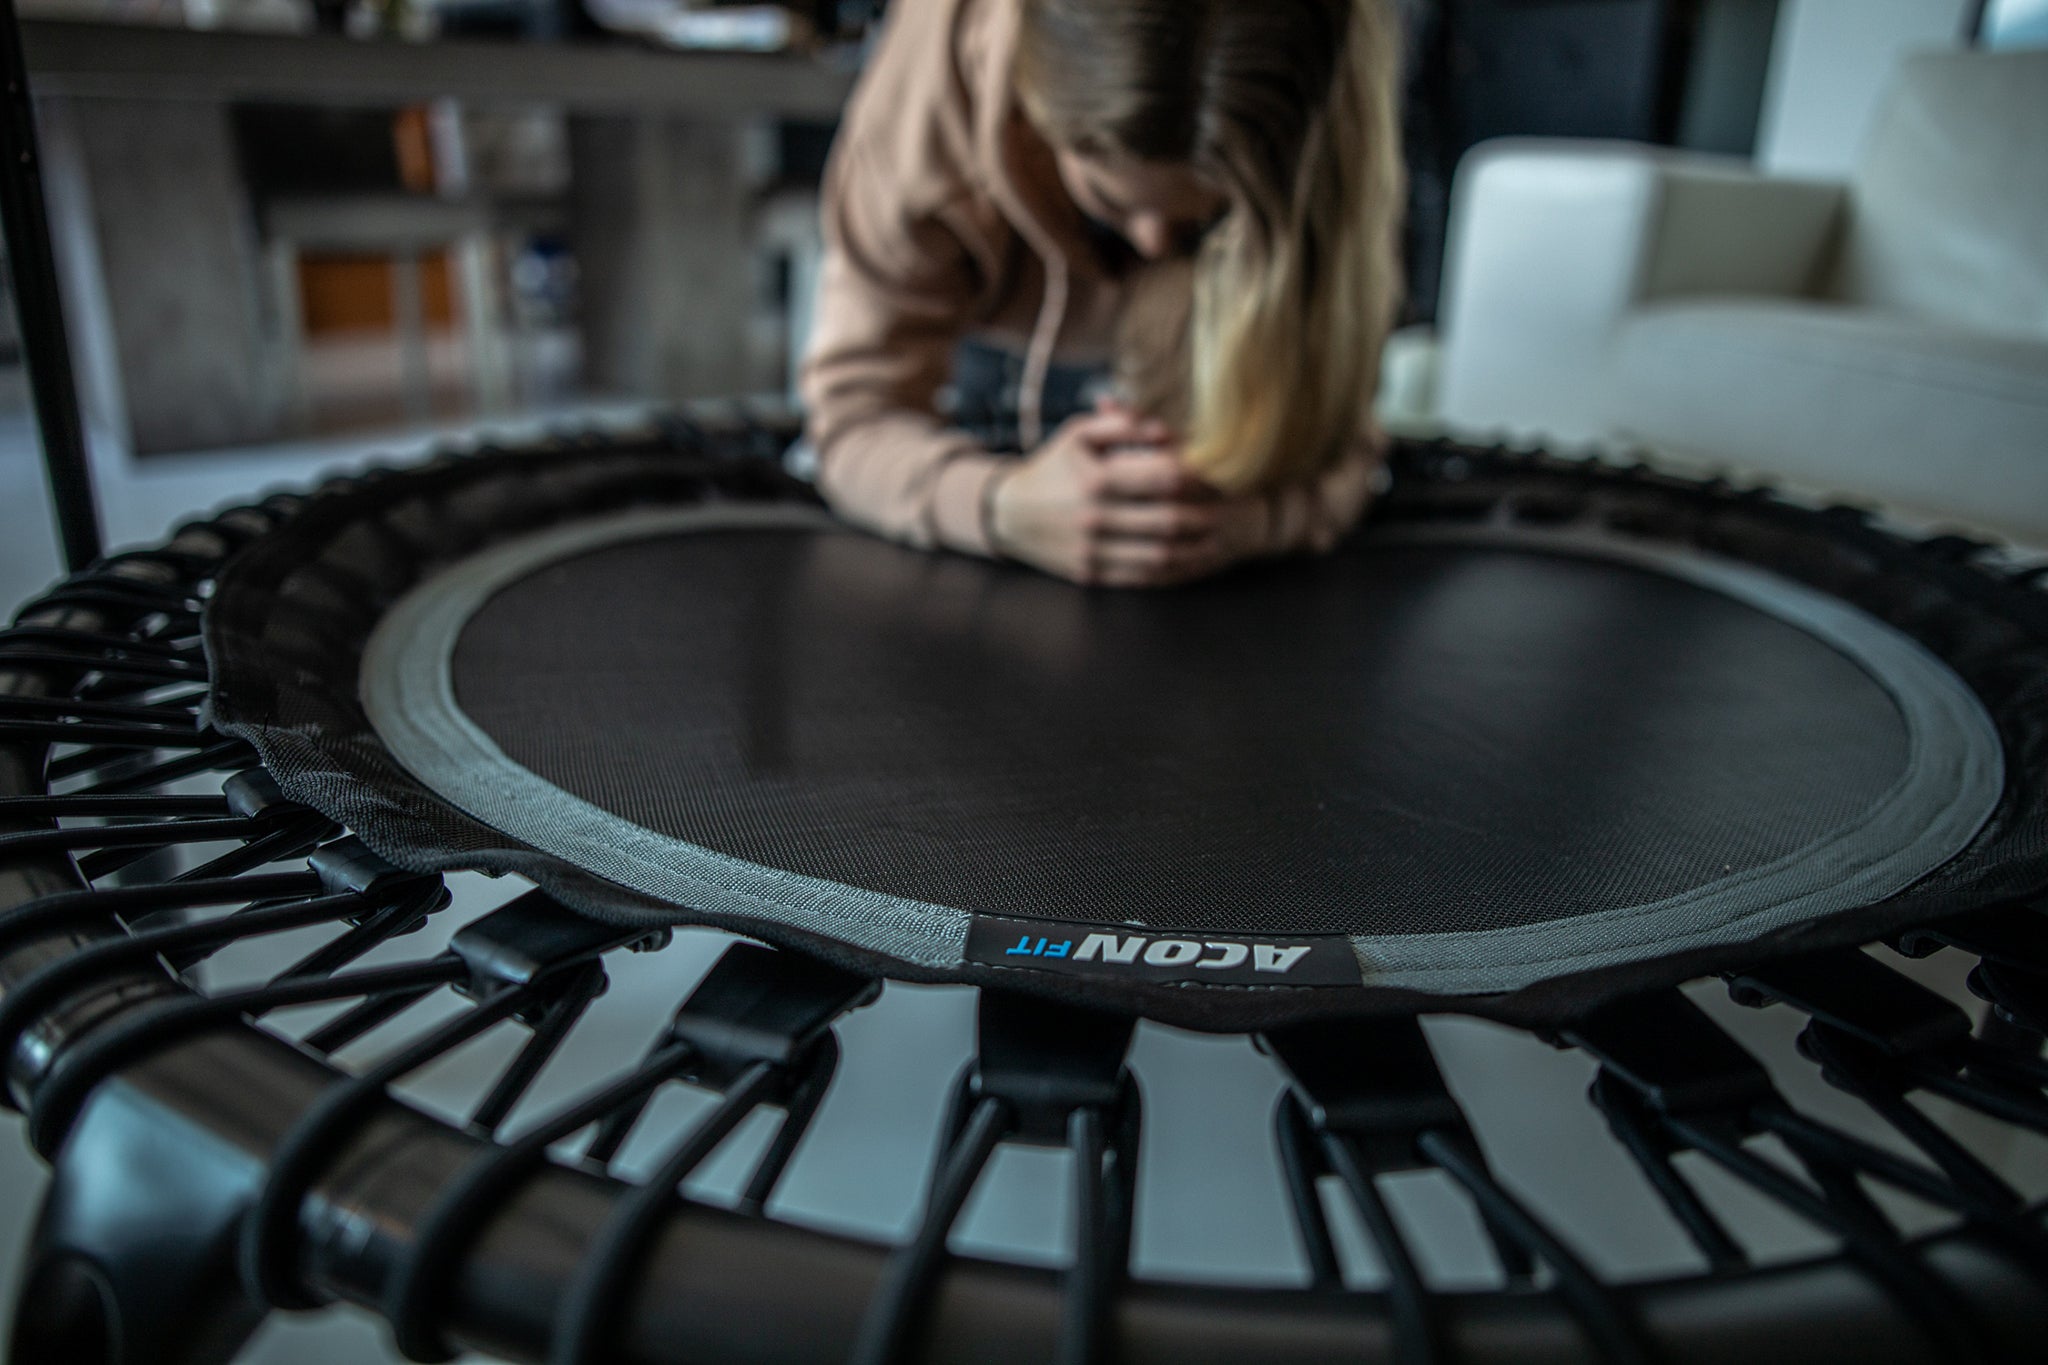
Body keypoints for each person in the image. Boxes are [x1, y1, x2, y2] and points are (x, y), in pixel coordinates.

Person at [802, 0, 1405, 588]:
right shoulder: (919, 135)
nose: (1152, 242)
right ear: (1032, 117)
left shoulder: (1328, 109)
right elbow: (850, 425)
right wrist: (998, 506)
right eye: (1113, 201)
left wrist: (1248, 524)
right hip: (995, 302)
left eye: (1207, 215)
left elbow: (1350, 448)